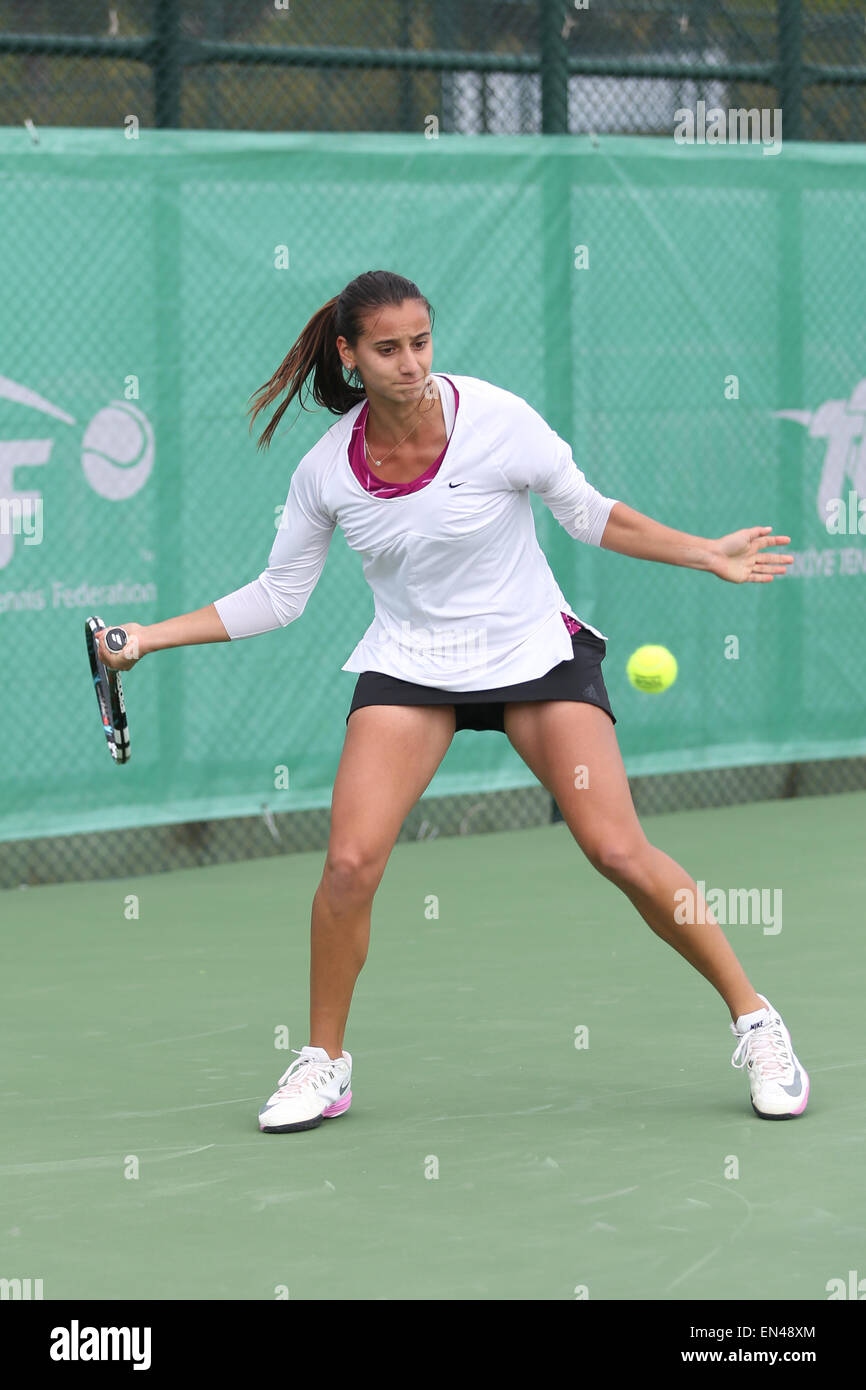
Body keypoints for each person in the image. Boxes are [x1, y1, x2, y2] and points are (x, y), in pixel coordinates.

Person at [97, 269, 809, 1136]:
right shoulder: (329, 471)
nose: (411, 364)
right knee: (349, 866)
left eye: (422, 342)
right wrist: (150, 636)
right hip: (413, 667)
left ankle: (758, 1021)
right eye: (388, 349)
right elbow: (279, 597)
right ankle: (324, 1062)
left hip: (533, 655)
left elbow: (589, 514)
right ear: (349, 357)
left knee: (619, 850)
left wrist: (707, 554)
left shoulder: (498, 421)